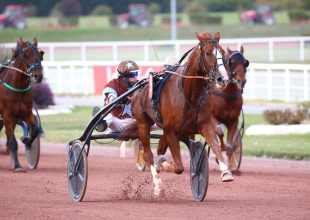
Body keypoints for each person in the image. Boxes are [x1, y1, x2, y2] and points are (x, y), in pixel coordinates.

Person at [93, 60, 140, 133]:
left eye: (137, 73)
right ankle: (100, 121)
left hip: (136, 122)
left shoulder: (139, 85)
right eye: (133, 75)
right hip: (118, 122)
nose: (136, 77)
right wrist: (121, 100)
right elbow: (110, 98)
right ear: (124, 76)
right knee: (108, 115)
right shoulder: (112, 86)